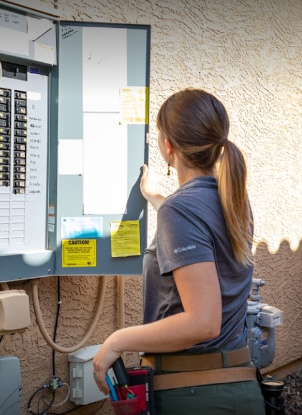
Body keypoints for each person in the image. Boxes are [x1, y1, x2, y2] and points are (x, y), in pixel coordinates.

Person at [92, 88, 265, 414]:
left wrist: (116, 340)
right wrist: (157, 200)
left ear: (168, 146)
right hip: (237, 386)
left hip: (195, 395)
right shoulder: (234, 201)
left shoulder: (181, 210)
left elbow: (204, 323)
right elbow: (199, 237)